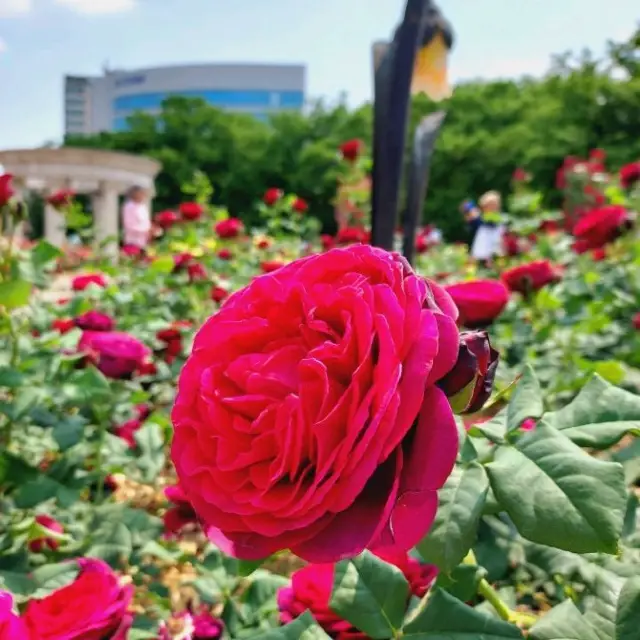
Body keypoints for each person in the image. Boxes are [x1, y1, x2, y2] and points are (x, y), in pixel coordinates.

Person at [469, 191, 505, 265]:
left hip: (497, 250)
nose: (492, 207)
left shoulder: (501, 218)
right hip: (482, 251)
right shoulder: (479, 219)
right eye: (489, 205)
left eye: (494, 205)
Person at [122, 186, 151, 253]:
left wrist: (150, 230)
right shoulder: (129, 207)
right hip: (133, 240)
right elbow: (129, 225)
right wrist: (145, 230)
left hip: (143, 240)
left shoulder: (142, 206)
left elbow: (146, 222)